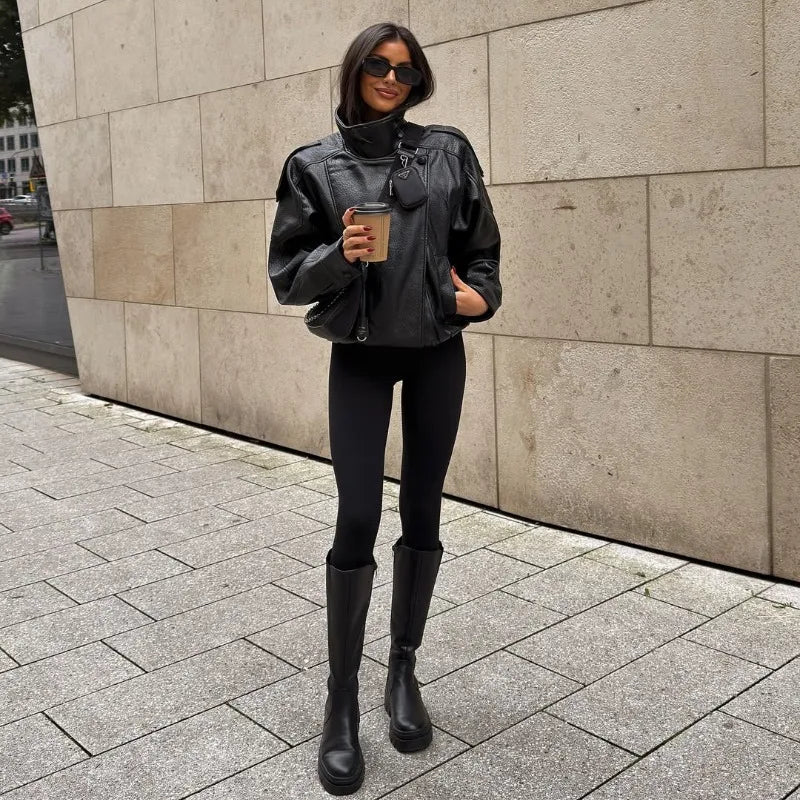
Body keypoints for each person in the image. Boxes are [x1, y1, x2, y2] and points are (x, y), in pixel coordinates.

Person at [268, 22, 501, 796]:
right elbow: (287, 279)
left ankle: (402, 672)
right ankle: (341, 702)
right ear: (355, 71)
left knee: (425, 513)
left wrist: (481, 296)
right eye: (378, 64)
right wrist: (340, 256)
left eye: (404, 68)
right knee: (358, 514)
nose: (391, 77)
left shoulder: (447, 152)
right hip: (361, 358)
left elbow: (482, 248)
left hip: (437, 350)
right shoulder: (314, 166)